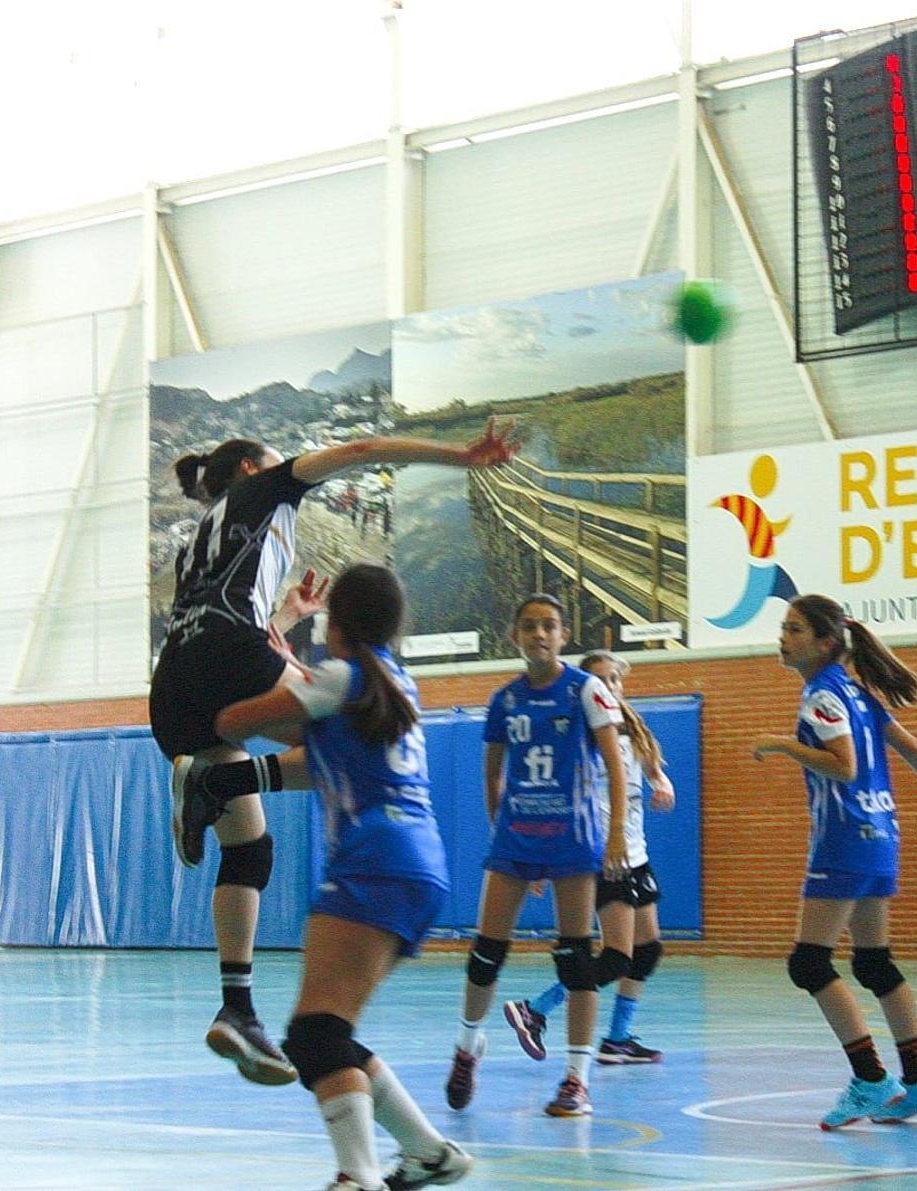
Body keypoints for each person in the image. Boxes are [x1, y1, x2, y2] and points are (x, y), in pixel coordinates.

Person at [153, 420, 515, 1084]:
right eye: (273, 457)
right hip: (228, 655)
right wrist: (461, 457)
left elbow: (217, 632)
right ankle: (213, 783)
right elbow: (362, 451)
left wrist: (286, 620)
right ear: (248, 470)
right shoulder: (267, 489)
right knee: (361, 726)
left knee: (250, 848)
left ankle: (236, 1006)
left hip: (172, 684)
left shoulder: (203, 539)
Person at [179, 563, 474, 1191]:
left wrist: (274, 669)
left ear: (335, 623)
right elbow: (317, 757)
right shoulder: (394, 684)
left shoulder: (339, 677)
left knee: (315, 1037)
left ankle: (357, 1175)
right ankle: (429, 1154)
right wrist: (296, 680)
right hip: (419, 863)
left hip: (376, 858)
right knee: (331, 1031)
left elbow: (233, 723)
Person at [751, 593, 917, 1130]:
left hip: (844, 839)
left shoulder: (822, 695)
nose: (784, 637)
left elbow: (843, 767)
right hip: (882, 834)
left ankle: (870, 1078)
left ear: (825, 642)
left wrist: (782, 745)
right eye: (784, 627)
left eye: (795, 629)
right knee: (873, 962)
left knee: (810, 962)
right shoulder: (858, 693)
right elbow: (911, 745)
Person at [445, 594, 629, 1118]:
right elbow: (492, 771)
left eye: (548, 626)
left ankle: (577, 1078)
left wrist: (615, 834)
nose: (539, 635)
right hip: (516, 839)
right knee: (485, 951)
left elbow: (615, 766)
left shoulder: (586, 690)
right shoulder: (505, 700)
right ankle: (466, 1046)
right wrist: (500, 828)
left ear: (563, 635)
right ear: (515, 637)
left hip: (573, 840)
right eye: (529, 627)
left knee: (575, 957)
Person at [503, 649, 675, 1066]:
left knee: (647, 949)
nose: (607, 688)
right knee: (617, 956)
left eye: (613, 680)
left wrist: (663, 784)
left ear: (621, 684)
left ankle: (617, 1039)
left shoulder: (633, 732)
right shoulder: (578, 739)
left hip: (636, 855)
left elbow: (654, 770)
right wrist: (545, 861)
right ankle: (536, 1008)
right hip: (599, 856)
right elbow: (553, 799)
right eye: (597, 681)